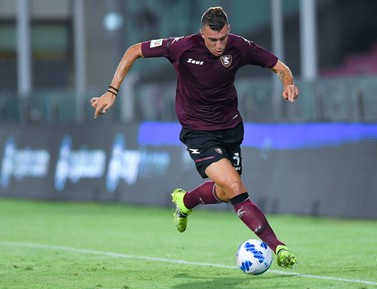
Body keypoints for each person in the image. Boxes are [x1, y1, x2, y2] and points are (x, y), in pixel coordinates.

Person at [91, 6, 299, 268]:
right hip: (198, 132)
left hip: (231, 129)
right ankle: (278, 246)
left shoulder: (240, 47)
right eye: (212, 39)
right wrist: (112, 91)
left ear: (228, 31)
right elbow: (134, 50)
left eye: (223, 38)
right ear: (202, 34)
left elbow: (279, 66)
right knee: (236, 188)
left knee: (226, 192)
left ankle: (185, 201)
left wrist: (288, 83)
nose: (219, 45)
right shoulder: (181, 47)